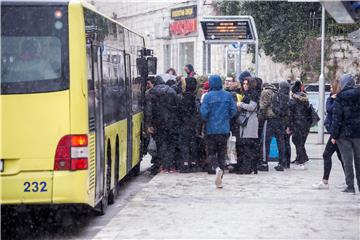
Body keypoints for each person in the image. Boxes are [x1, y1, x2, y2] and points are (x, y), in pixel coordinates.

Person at [200, 74, 237, 188]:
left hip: (211, 129)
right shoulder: (228, 95)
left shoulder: (207, 97)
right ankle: (220, 178)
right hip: (224, 129)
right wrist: (226, 118)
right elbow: (233, 111)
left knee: (211, 153)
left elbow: (203, 113)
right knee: (222, 153)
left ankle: (216, 168)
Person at [330, 74, 360, 194]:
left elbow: (336, 118)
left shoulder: (340, 97)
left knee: (347, 161)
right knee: (359, 161)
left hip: (344, 134)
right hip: (358, 133)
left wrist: (334, 135)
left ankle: (350, 186)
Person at [313, 80, 344, 189]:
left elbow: (330, 109)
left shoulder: (337, 99)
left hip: (336, 133)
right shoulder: (334, 98)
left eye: (331, 87)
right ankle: (348, 180)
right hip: (336, 132)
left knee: (326, 155)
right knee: (341, 157)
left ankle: (325, 182)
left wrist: (334, 136)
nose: (330, 89)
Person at [144, 75, 178, 173]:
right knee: (171, 144)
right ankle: (171, 165)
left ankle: (163, 165)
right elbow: (177, 107)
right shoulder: (172, 91)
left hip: (158, 123)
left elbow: (149, 111)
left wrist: (149, 124)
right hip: (171, 122)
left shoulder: (151, 93)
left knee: (161, 144)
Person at [235, 77, 260, 174]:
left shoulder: (253, 94)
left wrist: (240, 104)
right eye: (244, 84)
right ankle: (247, 167)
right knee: (245, 145)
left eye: (247, 84)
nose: (245, 85)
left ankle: (247, 168)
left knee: (247, 145)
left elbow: (252, 107)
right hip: (245, 121)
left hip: (250, 122)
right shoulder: (247, 94)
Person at [259, 83, 286, 171]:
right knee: (281, 142)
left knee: (266, 143)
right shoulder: (278, 92)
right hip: (280, 120)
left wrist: (260, 117)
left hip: (270, 120)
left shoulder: (266, 92)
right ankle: (281, 163)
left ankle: (264, 163)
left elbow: (263, 106)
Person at [289, 80, 311, 169]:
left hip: (298, 123)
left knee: (297, 141)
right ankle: (302, 157)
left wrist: (290, 124)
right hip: (305, 123)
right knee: (300, 141)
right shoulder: (305, 98)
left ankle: (301, 159)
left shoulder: (295, 99)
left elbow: (292, 113)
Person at [178, 77, 199, 173]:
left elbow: (180, 111)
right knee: (193, 143)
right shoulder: (195, 97)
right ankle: (194, 163)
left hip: (184, 124)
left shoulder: (183, 97)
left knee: (185, 144)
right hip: (193, 124)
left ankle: (185, 163)